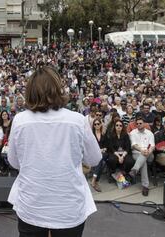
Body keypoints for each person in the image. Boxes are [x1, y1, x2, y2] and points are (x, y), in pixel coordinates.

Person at [7, 66, 101, 237]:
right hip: (68, 207)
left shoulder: (20, 121)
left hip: (32, 204)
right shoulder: (77, 120)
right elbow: (94, 158)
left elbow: (14, 162)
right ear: (58, 89)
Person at [129, 115, 155, 196]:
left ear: (144, 124)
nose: (139, 125)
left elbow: (152, 146)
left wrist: (148, 151)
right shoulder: (133, 133)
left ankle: (134, 169)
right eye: (137, 123)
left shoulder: (149, 133)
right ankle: (145, 186)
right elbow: (133, 145)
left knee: (144, 156)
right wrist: (142, 150)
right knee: (143, 162)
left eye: (140, 123)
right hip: (136, 153)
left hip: (149, 154)